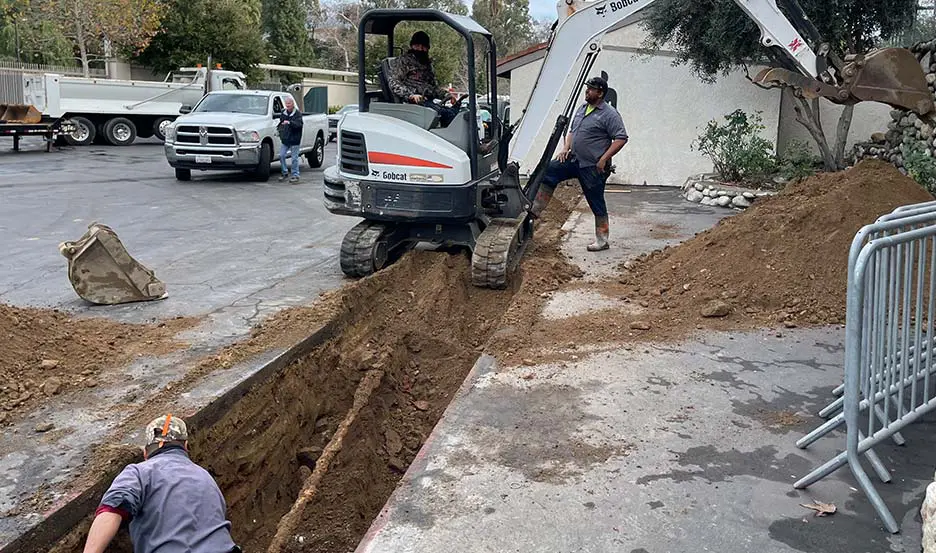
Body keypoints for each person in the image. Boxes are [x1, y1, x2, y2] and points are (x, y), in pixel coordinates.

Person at [82, 414, 239, 553]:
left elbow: (112, 509)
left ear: (145, 453)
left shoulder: (139, 472)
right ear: (185, 447)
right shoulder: (206, 477)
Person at [530, 76, 628, 252]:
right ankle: (534, 211)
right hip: (573, 159)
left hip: (592, 166)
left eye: (591, 89)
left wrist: (604, 159)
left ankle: (602, 240)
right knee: (548, 171)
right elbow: (572, 132)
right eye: (587, 88)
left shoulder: (609, 114)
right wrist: (565, 148)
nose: (587, 91)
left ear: (600, 93)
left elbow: (621, 138)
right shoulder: (582, 108)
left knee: (596, 201)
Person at [387, 31, 460, 127]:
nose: (420, 49)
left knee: (458, 112)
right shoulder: (403, 61)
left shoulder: (427, 64)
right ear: (412, 46)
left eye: (423, 46)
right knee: (447, 115)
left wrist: (447, 96)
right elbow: (394, 82)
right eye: (417, 45)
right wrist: (411, 95)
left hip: (428, 101)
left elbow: (433, 87)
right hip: (412, 104)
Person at [278, 95, 304, 184]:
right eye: (286, 103)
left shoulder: (297, 114)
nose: (287, 105)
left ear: (293, 104)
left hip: (295, 139)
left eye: (289, 103)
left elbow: (299, 125)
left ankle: (295, 175)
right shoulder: (283, 113)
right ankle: (284, 172)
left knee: (294, 158)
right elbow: (281, 123)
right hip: (285, 139)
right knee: (281, 155)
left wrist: (289, 123)